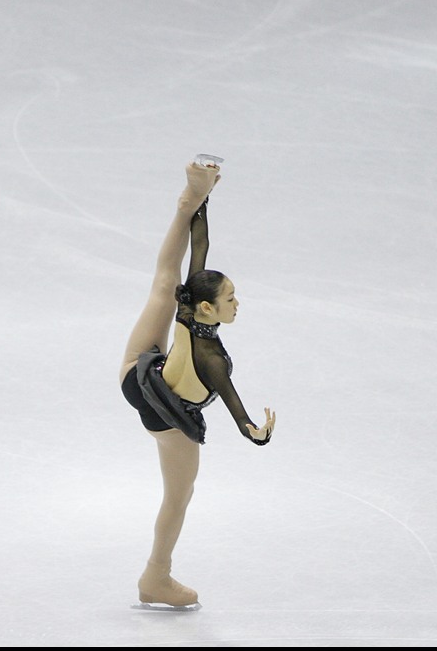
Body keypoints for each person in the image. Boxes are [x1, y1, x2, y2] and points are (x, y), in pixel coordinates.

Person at [119, 158, 276, 608]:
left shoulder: (190, 306)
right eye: (230, 299)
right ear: (209, 309)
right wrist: (255, 431)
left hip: (136, 372)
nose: (236, 303)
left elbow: (198, 249)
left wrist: (200, 203)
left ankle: (184, 201)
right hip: (166, 416)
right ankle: (156, 577)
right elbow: (234, 407)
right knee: (179, 496)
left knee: (164, 282)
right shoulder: (211, 360)